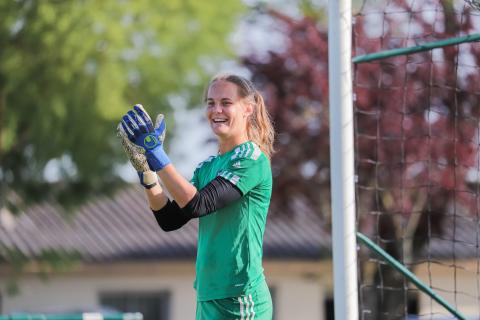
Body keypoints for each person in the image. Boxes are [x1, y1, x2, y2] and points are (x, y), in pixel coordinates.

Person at [117, 73, 275, 319]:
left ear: (248, 109)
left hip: (240, 297)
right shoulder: (208, 166)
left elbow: (199, 204)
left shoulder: (251, 159)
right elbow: (170, 219)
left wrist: (156, 154)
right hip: (207, 295)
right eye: (211, 103)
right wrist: (148, 173)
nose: (217, 110)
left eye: (226, 102)